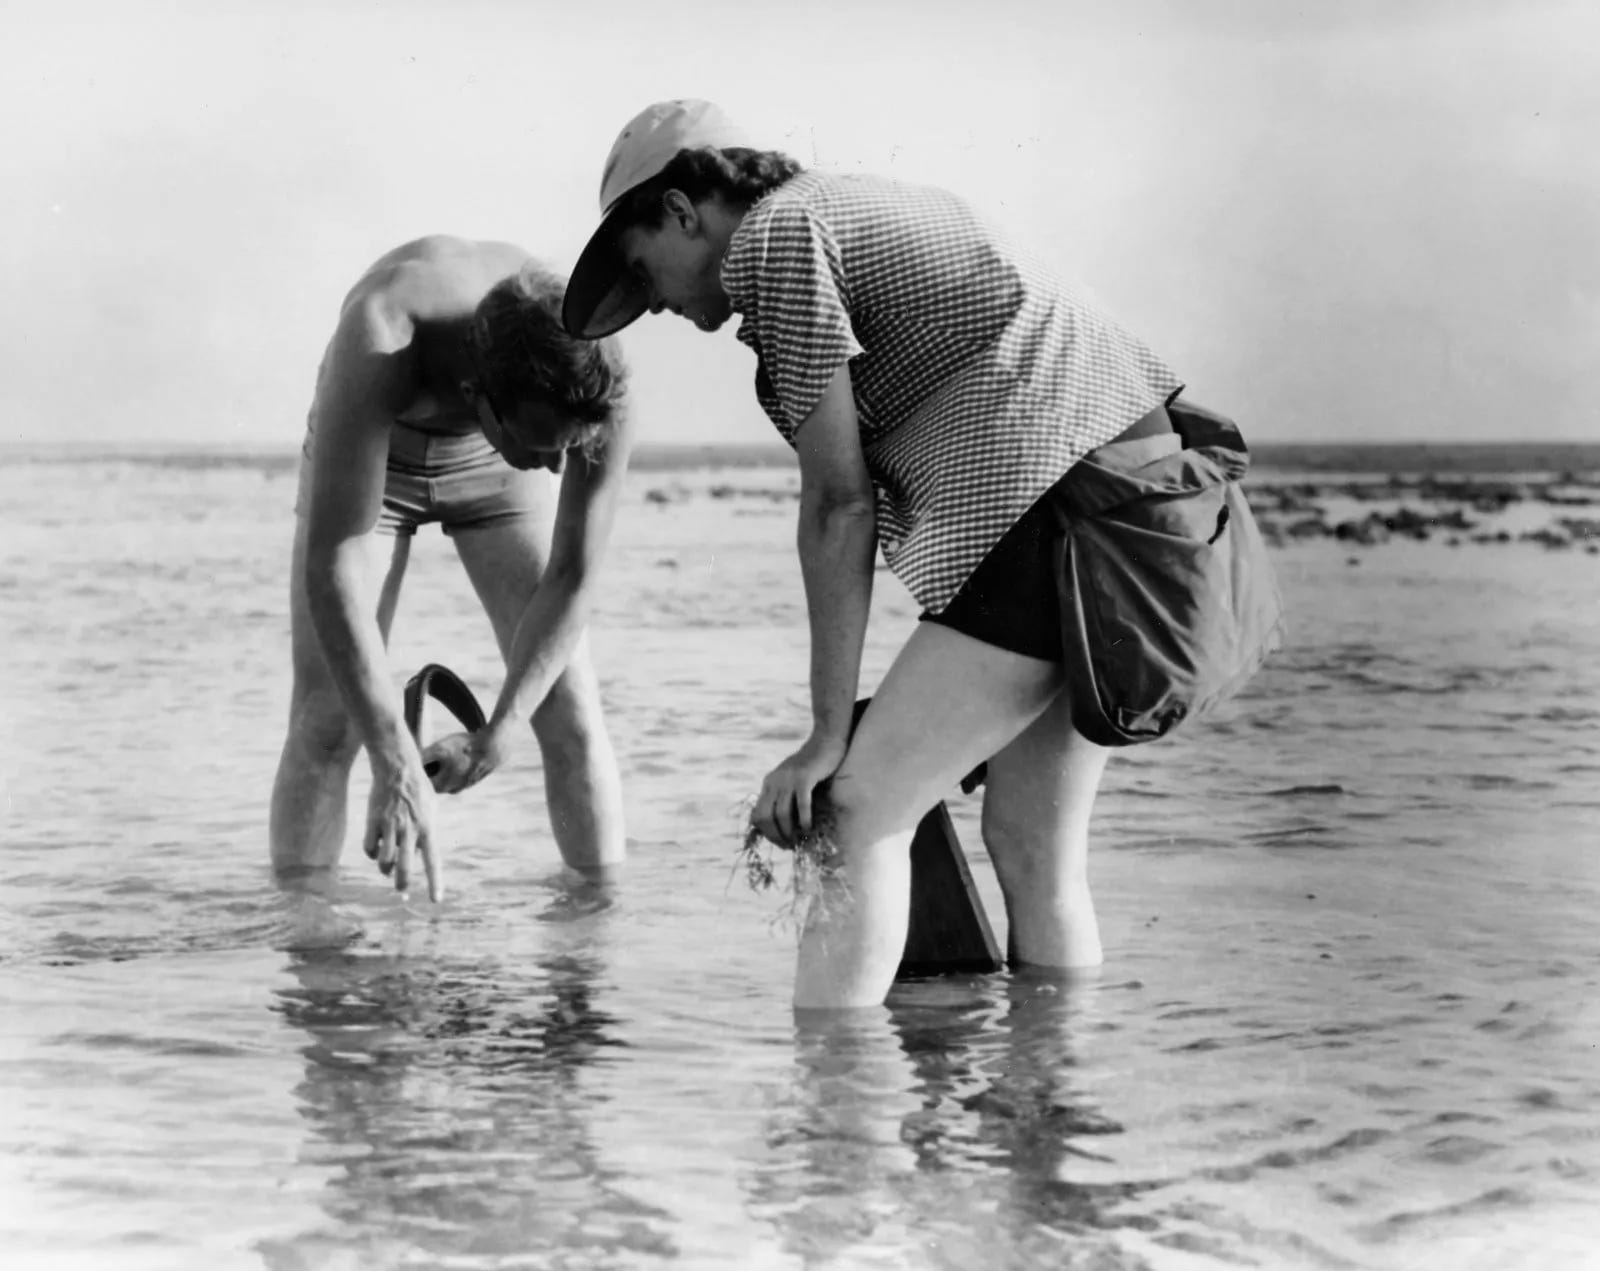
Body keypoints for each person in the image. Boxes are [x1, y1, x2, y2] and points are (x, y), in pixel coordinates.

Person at [561, 101, 1279, 1010]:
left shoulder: (776, 243)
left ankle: (835, 1122)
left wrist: (827, 738)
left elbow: (838, 506)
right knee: (1031, 848)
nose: (654, 301)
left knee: (856, 814)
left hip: (1061, 507)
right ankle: (1049, 1122)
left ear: (680, 209)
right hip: (1132, 505)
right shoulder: (842, 204)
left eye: (640, 269)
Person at [270, 236, 632, 905]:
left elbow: (573, 576)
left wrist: (501, 730)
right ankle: (306, 938)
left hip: (495, 461)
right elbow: (335, 565)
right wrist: (394, 758)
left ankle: (596, 937)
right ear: (477, 396)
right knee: (328, 717)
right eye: (542, 448)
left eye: (568, 450)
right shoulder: (382, 332)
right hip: (385, 438)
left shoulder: (600, 370)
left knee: (569, 709)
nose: (558, 471)